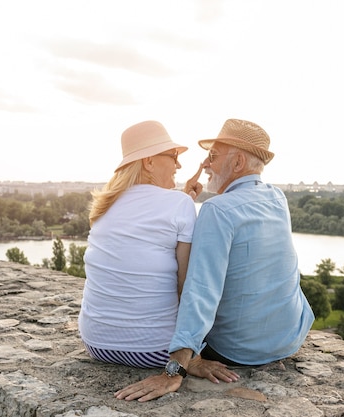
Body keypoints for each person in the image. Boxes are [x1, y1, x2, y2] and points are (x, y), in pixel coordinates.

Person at [115, 118, 315, 402]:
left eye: (212, 156)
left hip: (240, 351)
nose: (205, 164)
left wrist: (174, 371)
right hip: (289, 338)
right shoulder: (277, 198)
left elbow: (200, 291)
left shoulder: (217, 210)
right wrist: (186, 198)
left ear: (237, 164)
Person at [78, 120, 202, 369]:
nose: (179, 164)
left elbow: (144, 228)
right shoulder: (179, 205)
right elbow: (185, 285)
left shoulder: (106, 203)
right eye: (174, 155)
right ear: (149, 161)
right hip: (154, 351)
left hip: (97, 344)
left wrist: (183, 197)